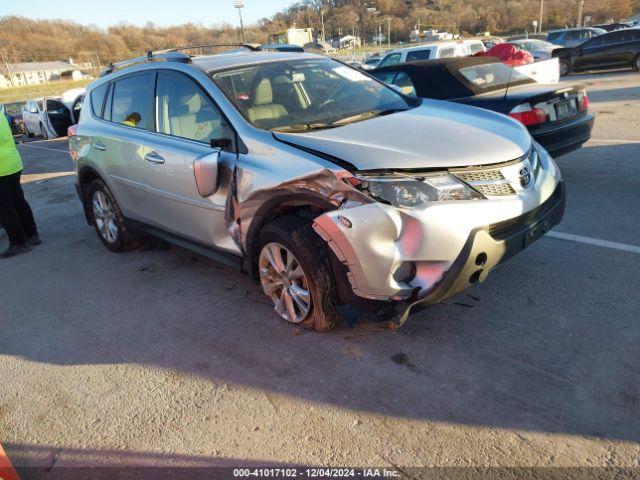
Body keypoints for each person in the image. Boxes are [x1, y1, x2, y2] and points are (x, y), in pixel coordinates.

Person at [0, 113, 39, 258]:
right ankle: (32, 234)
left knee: (5, 208)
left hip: (1, 168)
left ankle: (18, 243)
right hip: (13, 163)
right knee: (18, 201)